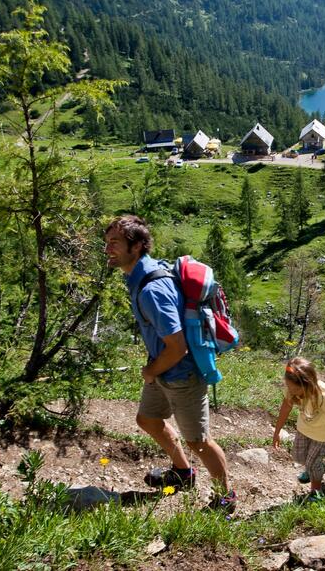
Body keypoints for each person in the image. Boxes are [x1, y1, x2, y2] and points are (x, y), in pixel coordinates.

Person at [104, 215, 236, 512]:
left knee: (199, 441)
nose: (107, 249)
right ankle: (183, 473)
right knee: (148, 419)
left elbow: (176, 347)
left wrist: (150, 370)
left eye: (114, 243)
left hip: (181, 373)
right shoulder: (141, 274)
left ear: (136, 246)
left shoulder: (152, 289)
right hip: (163, 367)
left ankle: (225, 498)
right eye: (107, 242)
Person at [272, 356, 325, 497]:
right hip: (305, 427)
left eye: (294, 389)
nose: (290, 391)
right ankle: (314, 469)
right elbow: (285, 408)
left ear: (306, 385)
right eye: (288, 386)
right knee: (298, 456)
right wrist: (277, 431)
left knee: (313, 463)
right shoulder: (291, 389)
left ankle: (316, 492)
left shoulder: (321, 395)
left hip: (323, 432)